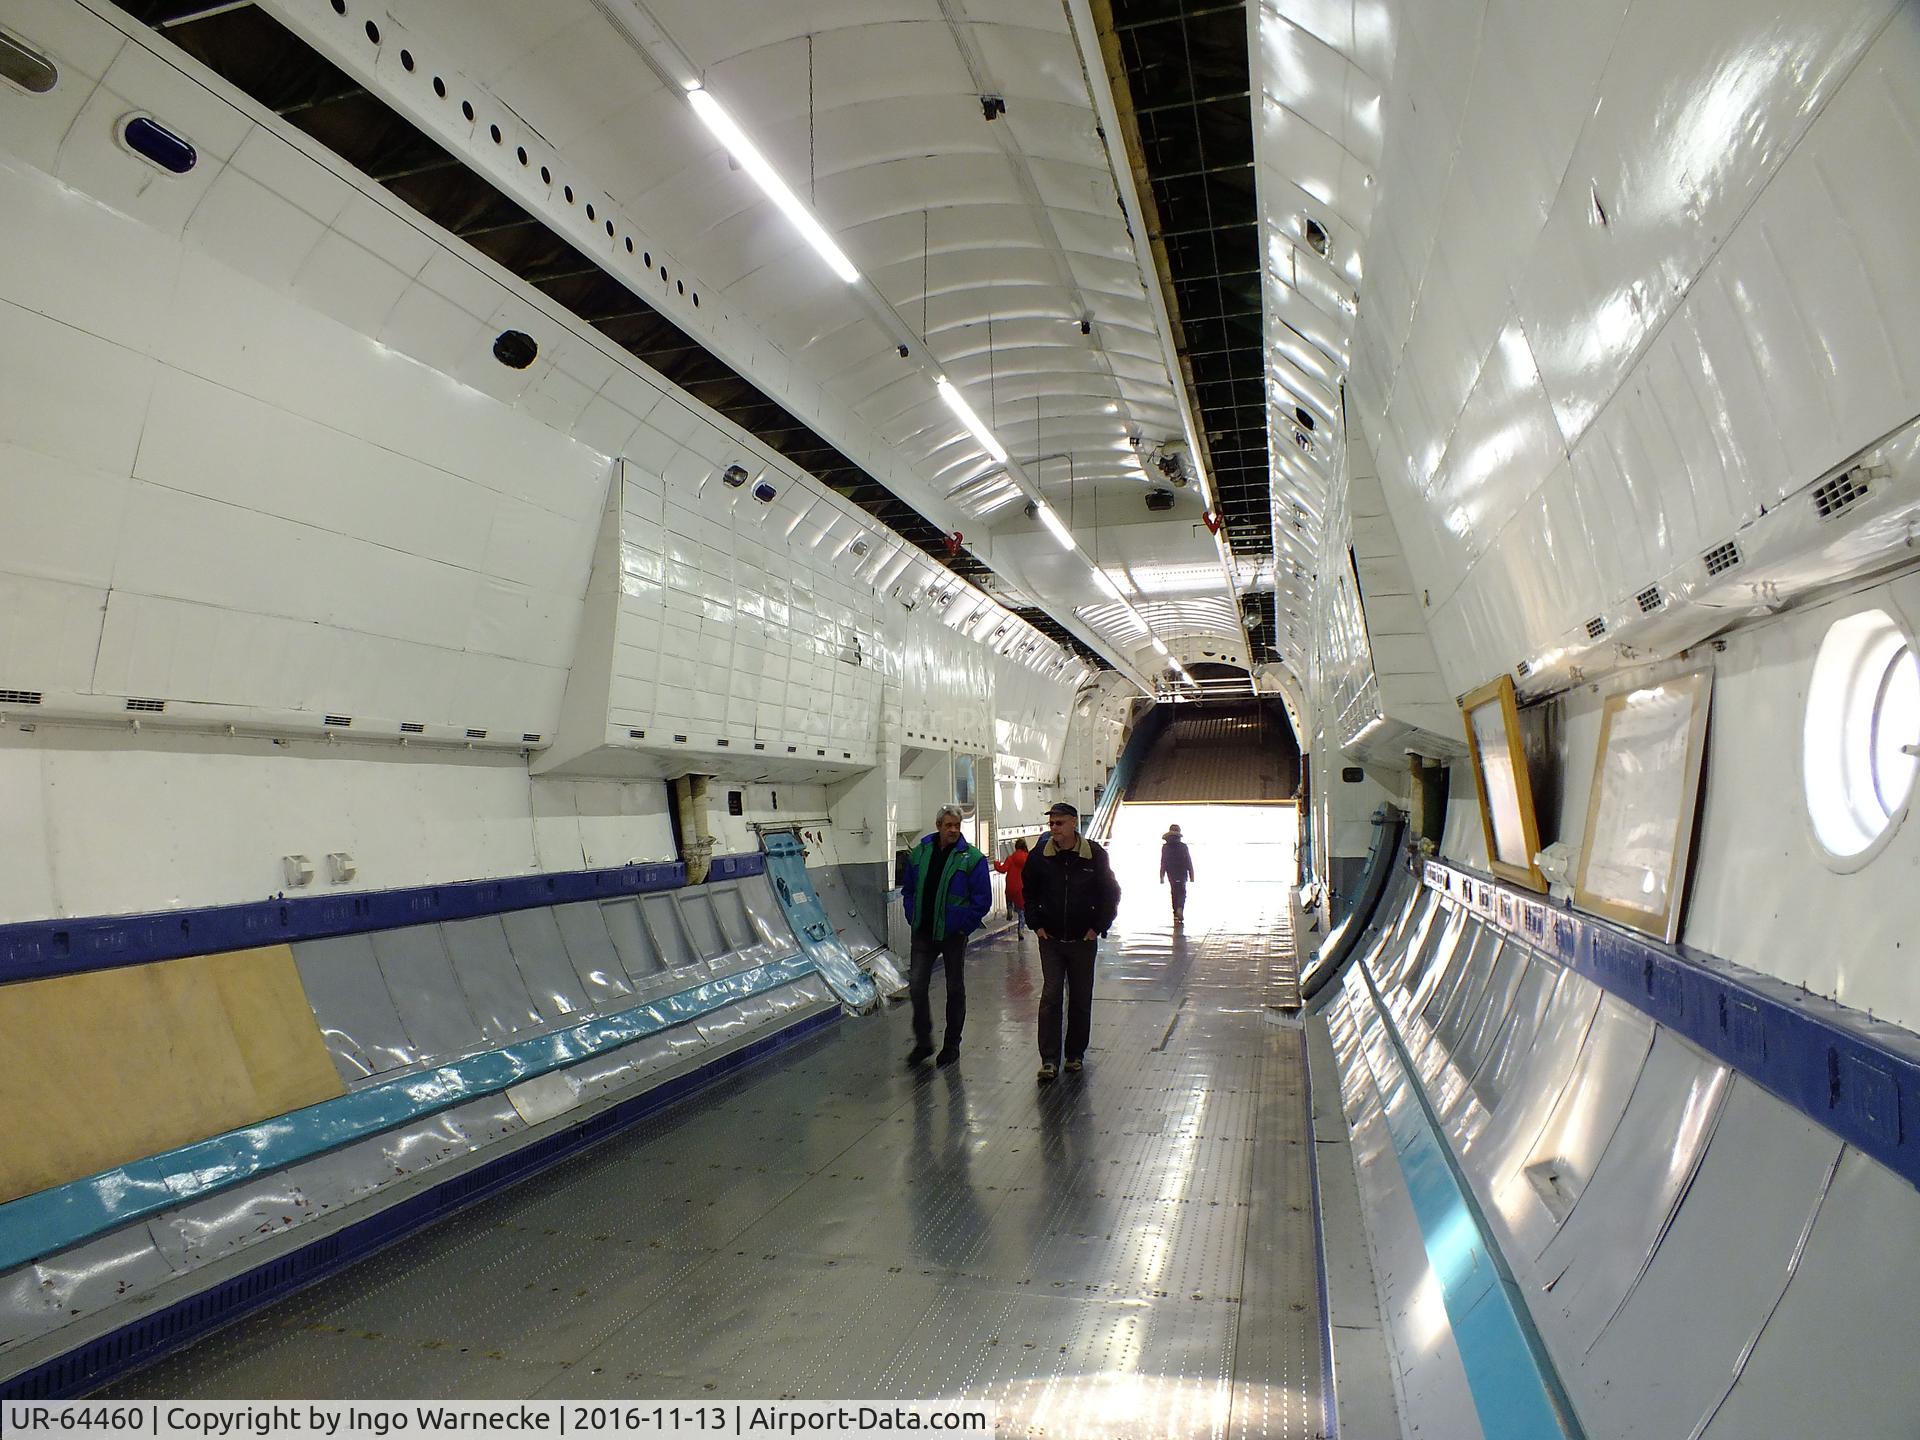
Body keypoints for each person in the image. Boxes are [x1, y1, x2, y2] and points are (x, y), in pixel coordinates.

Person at [1021, 802, 1120, 1081]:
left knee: (1079, 998)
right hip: (1050, 939)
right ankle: (1049, 1059)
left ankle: (1075, 1054)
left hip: (1082, 941)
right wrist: (1035, 923)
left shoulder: (1094, 855)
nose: (1054, 829)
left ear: (1074, 823)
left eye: (1059, 823)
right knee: (1051, 997)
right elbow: (1029, 891)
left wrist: (1098, 926)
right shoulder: (1040, 855)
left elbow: (1110, 892)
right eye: (1051, 824)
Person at [900, 806, 992, 1067]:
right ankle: (923, 1042)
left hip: (952, 935)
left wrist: (963, 926)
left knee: (955, 988)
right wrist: (912, 915)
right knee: (916, 986)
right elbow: (908, 890)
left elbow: (982, 900)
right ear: (938, 825)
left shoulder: (971, 858)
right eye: (948, 825)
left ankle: (951, 1045)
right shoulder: (920, 853)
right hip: (923, 932)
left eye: (957, 826)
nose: (953, 830)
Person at [992, 838, 1031, 935]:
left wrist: (996, 863)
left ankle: (1009, 907)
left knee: (1009, 895)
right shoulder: (1028, 858)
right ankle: (1020, 930)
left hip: (1010, 886)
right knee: (1022, 911)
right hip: (1022, 888)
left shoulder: (1010, 858)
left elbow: (1002, 869)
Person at [1159, 824, 1195, 922]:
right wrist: (1192, 875)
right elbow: (1188, 860)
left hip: (1171, 873)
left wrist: (1161, 876)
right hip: (1182, 872)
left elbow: (1163, 862)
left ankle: (1175, 912)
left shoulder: (1165, 847)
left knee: (1174, 891)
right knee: (1182, 891)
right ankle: (1180, 908)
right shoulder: (1183, 846)